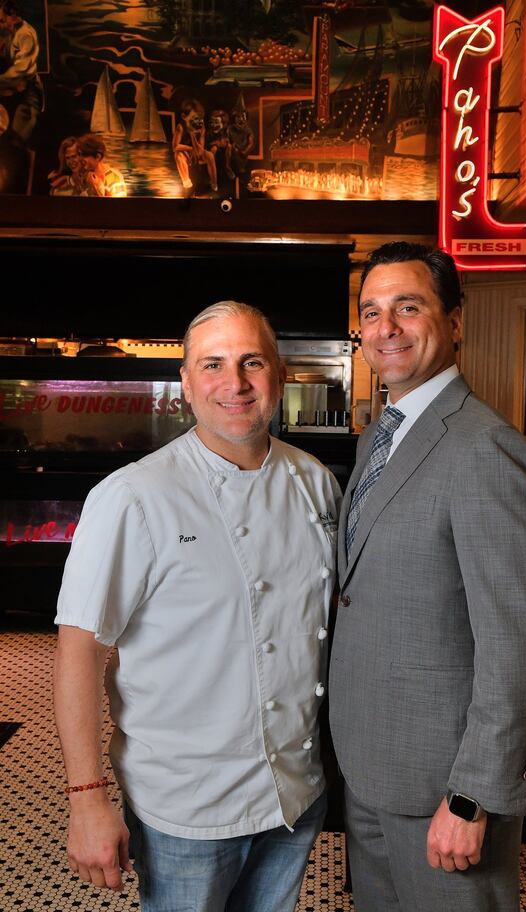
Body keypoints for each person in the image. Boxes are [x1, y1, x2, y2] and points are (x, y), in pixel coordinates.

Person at [53, 301, 341, 912]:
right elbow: (78, 653)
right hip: (187, 807)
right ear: (185, 382)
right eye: (212, 364)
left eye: (251, 362)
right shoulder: (133, 496)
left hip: (293, 792)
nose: (233, 383)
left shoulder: (314, 481)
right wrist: (87, 800)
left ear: (279, 374)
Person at [328, 242, 526, 912]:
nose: (386, 327)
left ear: (455, 319)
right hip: (371, 772)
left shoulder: (486, 450)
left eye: (408, 307)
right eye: (371, 312)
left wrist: (471, 796)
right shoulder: (380, 436)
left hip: (443, 793)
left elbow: (517, 644)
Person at [0, 0, 43, 144]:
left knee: (21, 138)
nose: (2, 24)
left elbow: (21, 68)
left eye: (3, 20)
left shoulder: (25, 34)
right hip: (13, 91)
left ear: (13, 15)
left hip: (28, 92)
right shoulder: (11, 35)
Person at [172, 98, 217, 195]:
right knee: (178, 155)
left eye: (200, 118)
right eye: (195, 118)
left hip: (197, 153)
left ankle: (214, 182)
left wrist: (194, 138)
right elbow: (175, 147)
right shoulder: (180, 127)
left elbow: (200, 150)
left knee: (209, 155)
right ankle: (186, 181)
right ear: (184, 117)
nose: (199, 121)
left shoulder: (201, 128)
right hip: (186, 153)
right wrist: (190, 148)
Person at [76, 133, 127, 197]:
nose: (79, 159)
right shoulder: (83, 175)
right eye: (79, 155)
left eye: (84, 155)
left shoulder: (114, 177)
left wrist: (97, 190)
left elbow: (120, 206)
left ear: (98, 157)